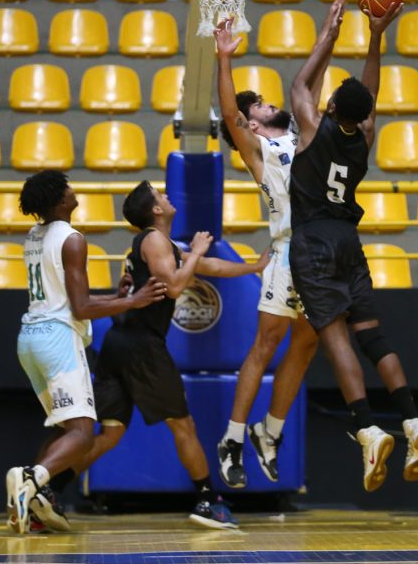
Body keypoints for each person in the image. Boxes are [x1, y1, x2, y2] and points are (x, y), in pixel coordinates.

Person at [287, 0, 418, 492]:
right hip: (350, 240)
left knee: (335, 338)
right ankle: (413, 418)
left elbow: (299, 85)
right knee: (372, 334)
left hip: (313, 241)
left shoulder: (312, 128)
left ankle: (368, 428)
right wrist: (375, 36)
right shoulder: (364, 137)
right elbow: (369, 97)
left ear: (330, 108)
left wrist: (329, 34)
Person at [69, 181, 270, 530]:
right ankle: (208, 501)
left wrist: (253, 268)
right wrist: (197, 248)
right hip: (141, 346)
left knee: (110, 434)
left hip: (119, 342)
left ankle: (48, 485)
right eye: (160, 196)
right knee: (183, 425)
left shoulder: (160, 245)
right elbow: (176, 285)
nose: (167, 197)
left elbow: (210, 267)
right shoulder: (154, 240)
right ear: (156, 210)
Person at [9, 170, 166, 535]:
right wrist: (135, 301)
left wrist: (116, 298)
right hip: (58, 341)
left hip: (30, 338)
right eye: (66, 187)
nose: (72, 189)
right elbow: (80, 308)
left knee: (64, 428)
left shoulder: (34, 235)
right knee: (82, 434)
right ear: (58, 200)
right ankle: (31, 478)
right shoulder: (72, 239)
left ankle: (36, 505)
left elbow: (67, 299)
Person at [212, 17, 321, 490]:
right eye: (257, 103)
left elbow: (311, 85)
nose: (267, 102)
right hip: (288, 250)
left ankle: (268, 431)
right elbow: (227, 111)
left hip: (318, 253)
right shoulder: (258, 150)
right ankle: (233, 438)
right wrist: (224, 59)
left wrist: (329, 33)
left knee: (308, 341)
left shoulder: (301, 133)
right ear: (252, 123)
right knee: (266, 343)